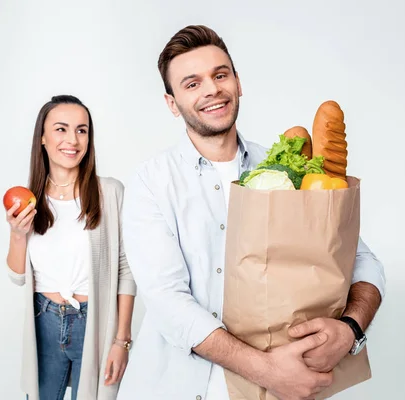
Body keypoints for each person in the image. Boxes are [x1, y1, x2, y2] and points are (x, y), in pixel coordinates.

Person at [117, 25, 385, 400]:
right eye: (192, 84)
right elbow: (167, 301)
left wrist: (351, 329)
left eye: (220, 75)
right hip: (177, 387)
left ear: (238, 83)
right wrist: (269, 371)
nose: (212, 89)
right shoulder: (151, 183)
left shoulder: (288, 167)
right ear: (171, 103)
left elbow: (362, 259)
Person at [5, 95, 137, 400]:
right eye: (61, 129)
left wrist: (122, 340)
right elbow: (17, 276)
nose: (73, 140)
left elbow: (126, 268)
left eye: (82, 130)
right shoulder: (27, 198)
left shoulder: (110, 192)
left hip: (95, 322)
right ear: (43, 138)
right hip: (45, 321)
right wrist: (16, 233)